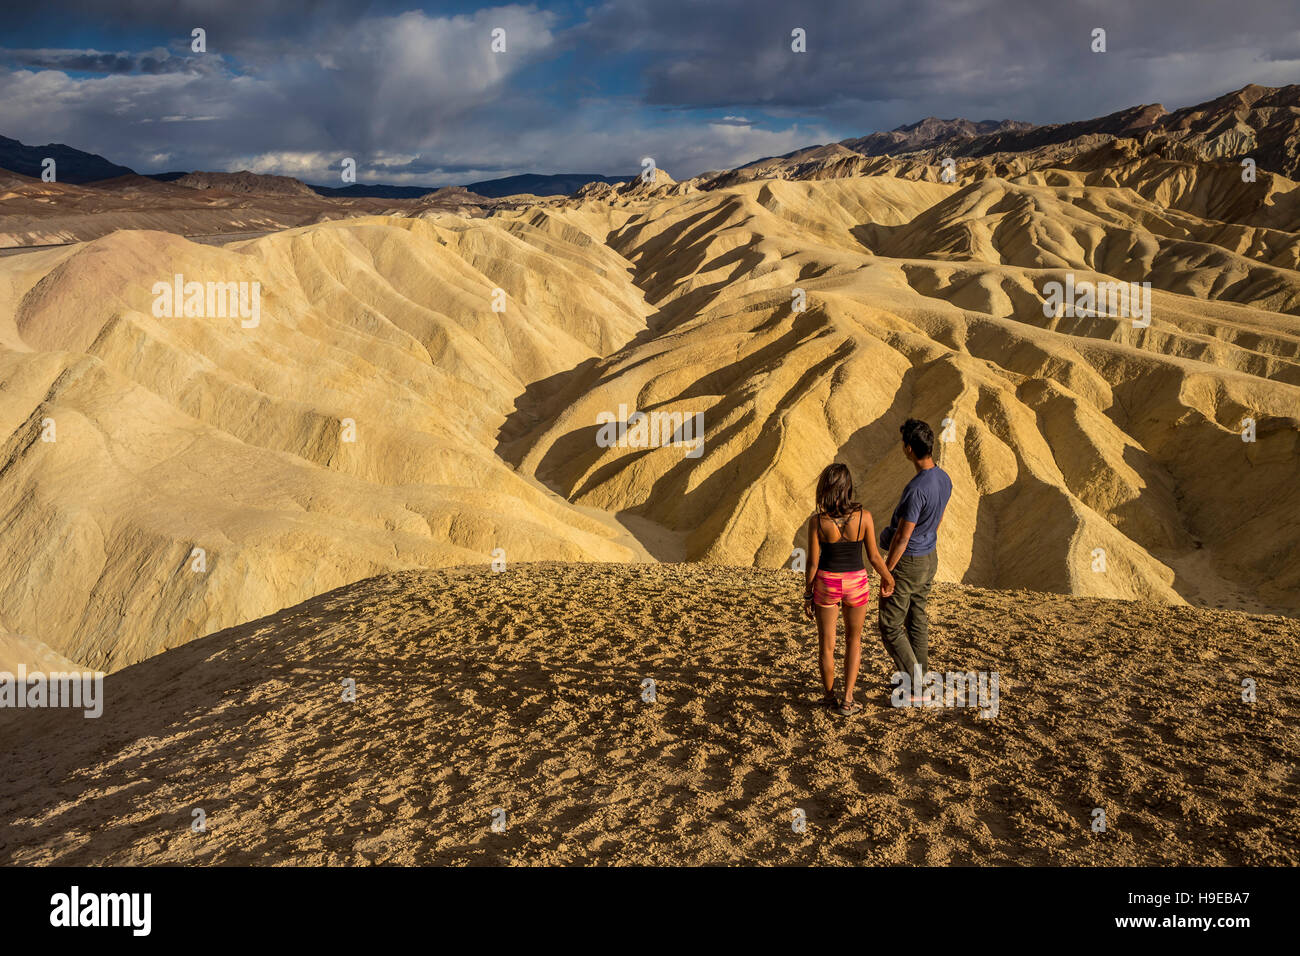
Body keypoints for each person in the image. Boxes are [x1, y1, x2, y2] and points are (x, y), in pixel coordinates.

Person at [803, 463, 894, 716]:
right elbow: (874, 557)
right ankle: (848, 700)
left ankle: (829, 697)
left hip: (827, 582)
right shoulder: (864, 517)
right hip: (856, 582)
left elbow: (812, 564)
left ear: (826, 489)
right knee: (854, 640)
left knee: (826, 645)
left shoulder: (818, 522)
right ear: (847, 488)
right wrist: (888, 578)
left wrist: (808, 593)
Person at [878, 419, 952, 704]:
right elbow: (939, 518)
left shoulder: (916, 489)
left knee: (889, 623)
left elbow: (901, 537)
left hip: (909, 560)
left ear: (909, 449)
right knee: (917, 617)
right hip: (929, 557)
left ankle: (915, 685)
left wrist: (888, 571)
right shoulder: (943, 478)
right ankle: (920, 679)